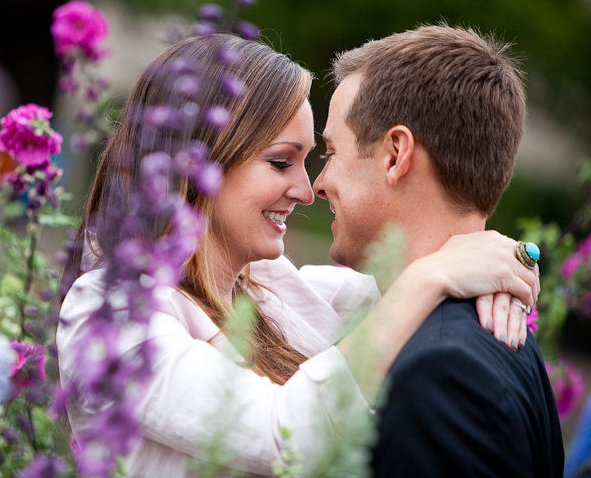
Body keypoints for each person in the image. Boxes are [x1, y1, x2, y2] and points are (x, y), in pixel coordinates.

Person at [57, 33, 540, 476]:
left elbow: (409, 274)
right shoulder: (107, 314)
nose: (308, 190)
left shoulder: (271, 288)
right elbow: (282, 431)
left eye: (313, 159)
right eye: (281, 162)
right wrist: (434, 275)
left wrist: (504, 259)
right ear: (196, 162)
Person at [312, 25, 564, 476]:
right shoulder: (486, 334)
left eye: (331, 153)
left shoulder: (442, 372)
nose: (318, 184)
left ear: (395, 155)